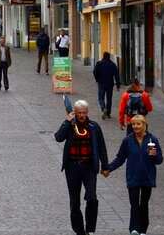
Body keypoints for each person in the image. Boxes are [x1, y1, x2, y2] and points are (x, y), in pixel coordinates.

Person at [54, 100, 110, 235]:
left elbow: (101, 147)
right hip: (72, 167)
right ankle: (79, 231)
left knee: (92, 198)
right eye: (79, 113)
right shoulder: (70, 125)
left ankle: (90, 229)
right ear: (75, 112)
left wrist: (105, 166)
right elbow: (58, 137)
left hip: (89, 167)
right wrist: (67, 121)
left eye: (84, 112)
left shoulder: (94, 127)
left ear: (87, 112)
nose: (81, 115)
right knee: (75, 202)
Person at [103, 114, 164, 235]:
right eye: (133, 124)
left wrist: (154, 155)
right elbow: (120, 158)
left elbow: (159, 160)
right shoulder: (127, 140)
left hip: (147, 177)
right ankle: (134, 229)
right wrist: (108, 168)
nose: (135, 126)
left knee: (144, 204)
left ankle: (143, 230)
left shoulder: (152, 140)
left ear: (144, 125)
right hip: (133, 176)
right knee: (134, 203)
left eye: (138, 124)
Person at [92, 51, 121, 118]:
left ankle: (103, 108)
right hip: (110, 84)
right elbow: (116, 75)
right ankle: (108, 113)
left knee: (101, 98)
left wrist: (97, 79)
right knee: (109, 99)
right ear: (109, 57)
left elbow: (95, 72)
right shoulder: (112, 64)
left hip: (101, 83)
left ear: (103, 56)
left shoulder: (99, 63)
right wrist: (118, 85)